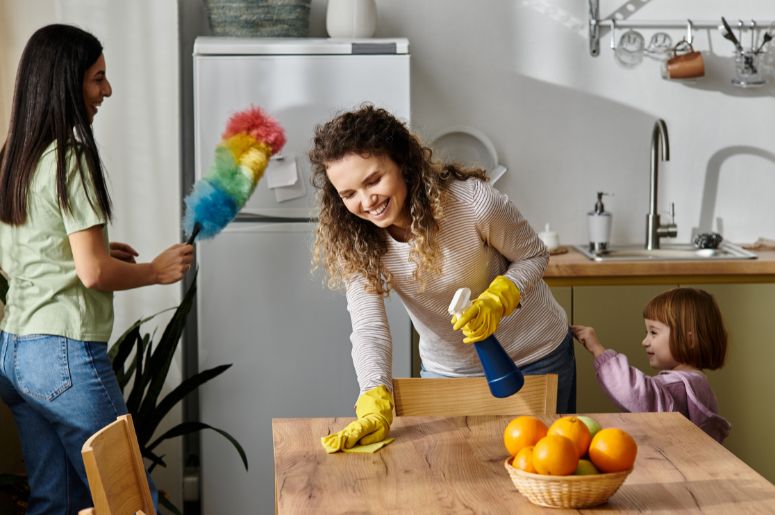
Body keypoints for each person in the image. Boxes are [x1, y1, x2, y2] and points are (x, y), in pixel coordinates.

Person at [0, 24, 193, 513]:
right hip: (63, 355)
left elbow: (35, 250)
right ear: (67, 82)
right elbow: (92, 275)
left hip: (15, 352)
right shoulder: (71, 156)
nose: (107, 91)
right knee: (130, 500)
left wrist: (101, 251)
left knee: (55, 501)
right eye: (97, 79)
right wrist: (154, 270)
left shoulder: (14, 158)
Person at [310, 105, 573, 452]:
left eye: (373, 180)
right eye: (349, 194)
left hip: (535, 355)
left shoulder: (473, 203)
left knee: (548, 472)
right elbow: (369, 327)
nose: (366, 201)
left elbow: (534, 255)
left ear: (403, 162)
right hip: (449, 372)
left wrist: (500, 297)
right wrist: (374, 393)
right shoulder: (358, 242)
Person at [572, 287, 731, 443]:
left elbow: (631, 391)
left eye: (653, 332)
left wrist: (597, 350)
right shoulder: (699, 382)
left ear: (689, 340)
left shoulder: (678, 387)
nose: (645, 341)